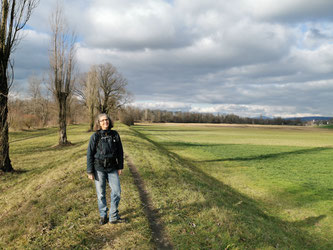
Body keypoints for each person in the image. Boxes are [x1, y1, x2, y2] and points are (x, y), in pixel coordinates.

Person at [87, 113, 124, 225]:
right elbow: (89, 154)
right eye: (102, 121)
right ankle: (103, 215)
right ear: (99, 123)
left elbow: (120, 152)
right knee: (101, 194)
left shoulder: (115, 135)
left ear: (109, 121)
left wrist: (120, 166)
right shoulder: (95, 136)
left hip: (112, 167)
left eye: (106, 120)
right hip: (99, 168)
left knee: (117, 191)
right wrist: (90, 171)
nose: (105, 122)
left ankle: (113, 216)